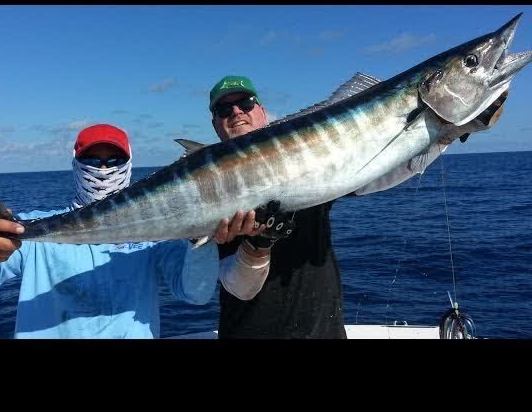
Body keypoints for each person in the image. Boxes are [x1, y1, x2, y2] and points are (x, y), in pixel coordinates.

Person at [207, 75, 494, 339]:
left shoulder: (311, 160)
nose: (236, 112)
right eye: (224, 110)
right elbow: (238, 288)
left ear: (261, 111)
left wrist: (447, 133)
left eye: (245, 103)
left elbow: (381, 169)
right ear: (215, 124)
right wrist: (257, 247)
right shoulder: (208, 186)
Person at [0, 123, 263, 339]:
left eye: (114, 159)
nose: (104, 168)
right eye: (93, 160)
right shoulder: (31, 233)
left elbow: (195, 294)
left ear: (128, 163)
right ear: (76, 162)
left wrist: (201, 234)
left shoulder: (156, 233)